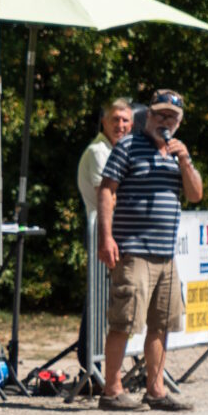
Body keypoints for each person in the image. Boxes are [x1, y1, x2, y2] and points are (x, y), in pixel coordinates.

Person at [97, 89, 202, 411]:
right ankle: (112, 390)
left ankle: (155, 389)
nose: (164, 121)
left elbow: (195, 195)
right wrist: (106, 238)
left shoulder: (178, 154)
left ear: (179, 121)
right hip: (134, 250)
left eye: (171, 117)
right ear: (148, 117)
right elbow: (106, 191)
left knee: (161, 324)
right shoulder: (129, 146)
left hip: (166, 255)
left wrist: (184, 161)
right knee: (124, 321)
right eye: (159, 115)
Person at [74, 98, 133, 371]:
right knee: (99, 301)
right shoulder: (100, 152)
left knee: (110, 300)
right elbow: (107, 199)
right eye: (115, 119)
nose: (120, 125)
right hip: (103, 234)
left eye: (125, 120)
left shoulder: (121, 150)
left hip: (117, 234)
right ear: (104, 121)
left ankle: (102, 366)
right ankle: (92, 365)